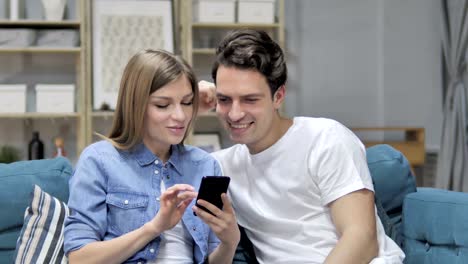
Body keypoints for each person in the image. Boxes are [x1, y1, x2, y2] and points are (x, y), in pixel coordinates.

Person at [198, 29, 405, 263]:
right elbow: (155, 162)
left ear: (278, 96)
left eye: (250, 99)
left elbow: (362, 240)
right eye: (224, 100)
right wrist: (186, 102)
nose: (234, 114)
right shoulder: (221, 165)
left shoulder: (325, 139)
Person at [64, 49, 240, 264]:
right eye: (162, 105)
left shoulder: (204, 164)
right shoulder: (100, 160)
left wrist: (230, 243)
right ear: (135, 106)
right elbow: (80, 259)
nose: (180, 116)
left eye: (186, 102)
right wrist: (154, 227)